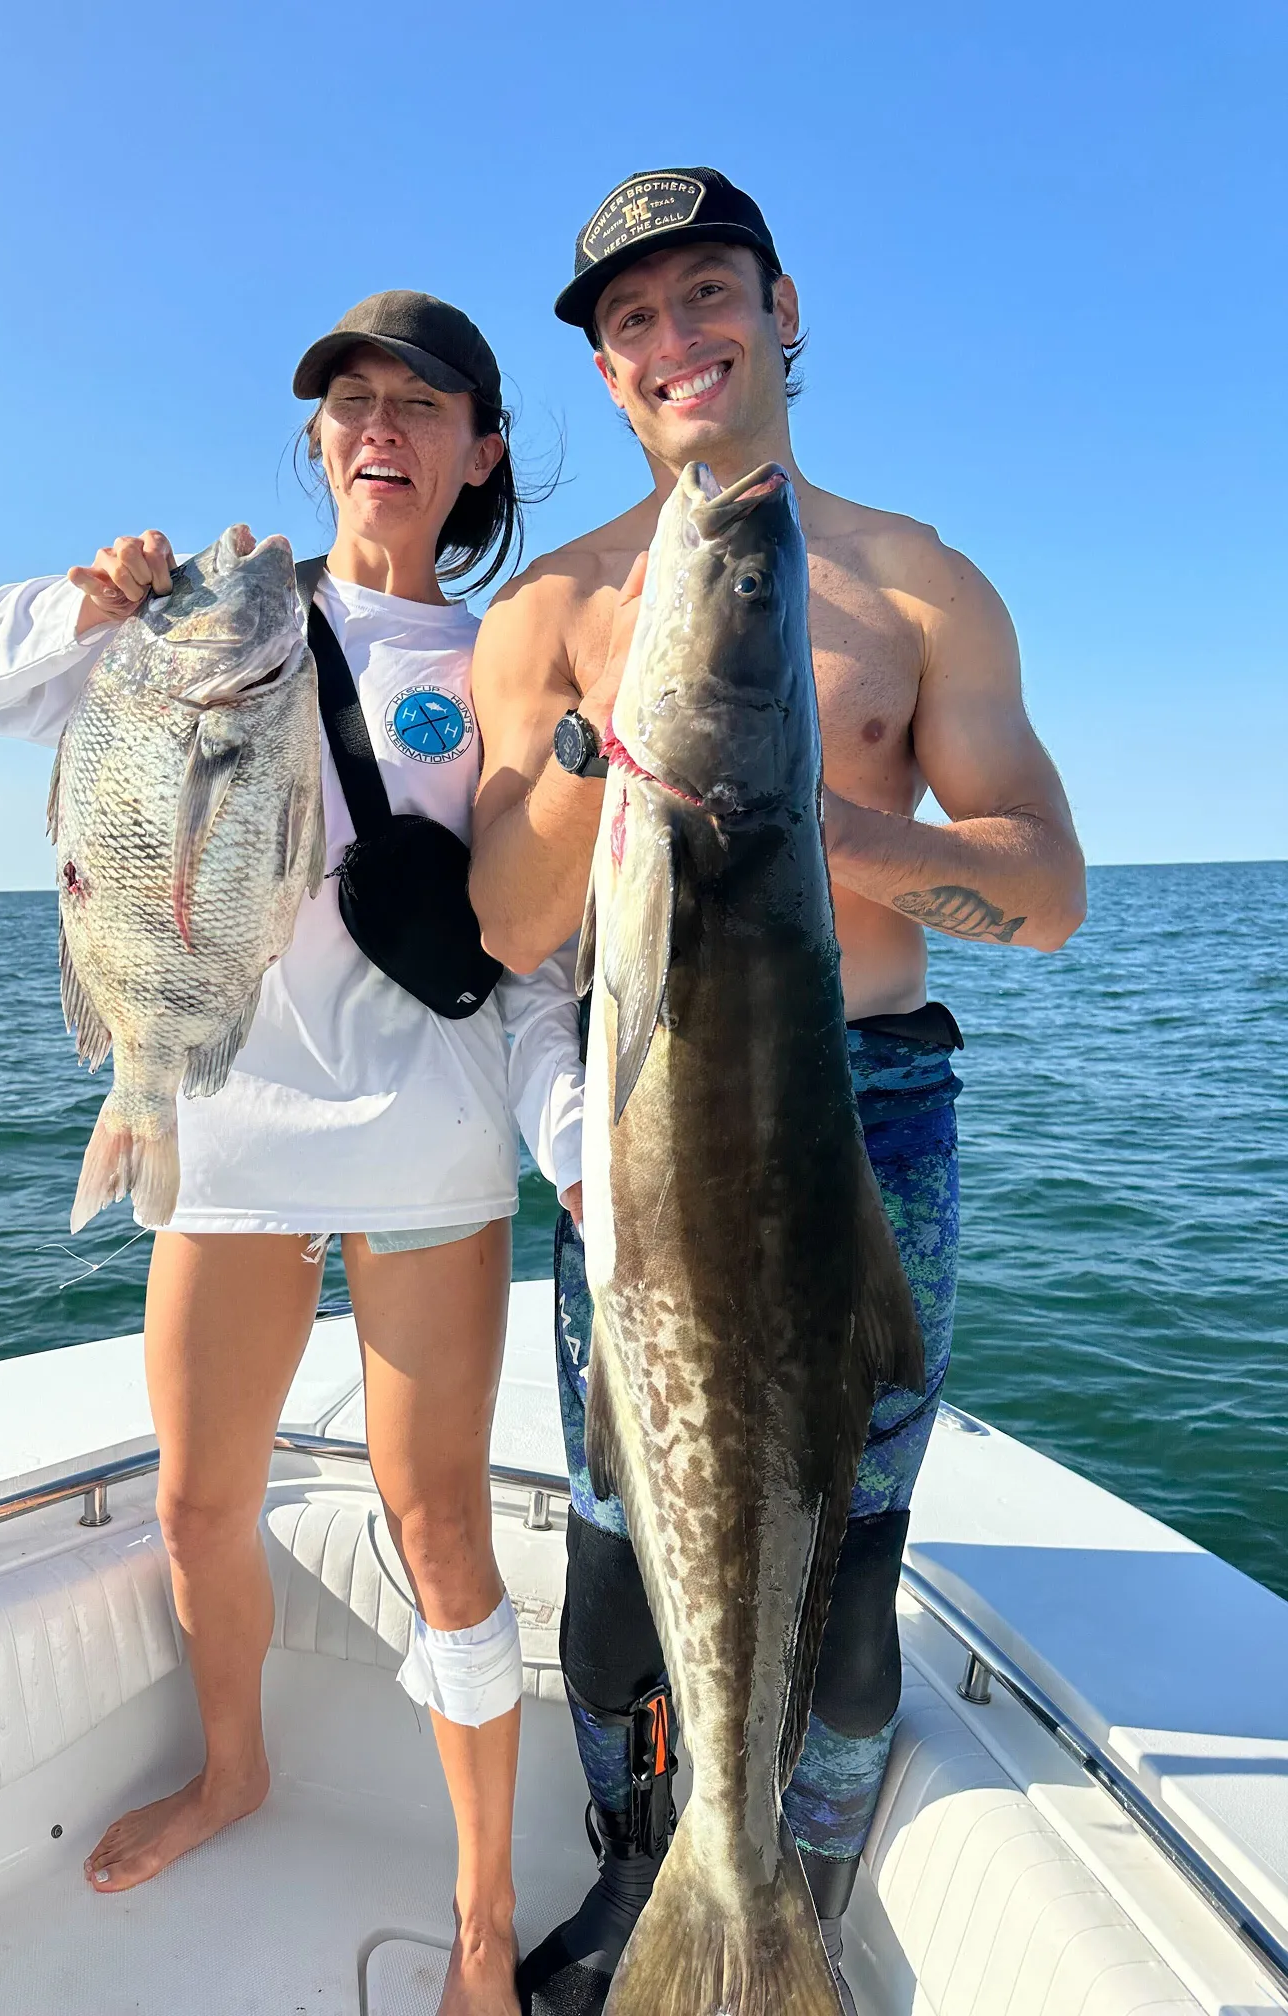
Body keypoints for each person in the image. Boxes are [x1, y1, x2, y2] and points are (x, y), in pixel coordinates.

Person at [0, 290, 582, 2016]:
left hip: (429, 1149)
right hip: (212, 1122)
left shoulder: (507, 656)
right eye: (352, 401)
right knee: (203, 1500)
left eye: (423, 404)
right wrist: (84, 597)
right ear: (318, 438)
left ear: (480, 449)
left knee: (441, 1532)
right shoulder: (204, 619)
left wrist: (575, 1144)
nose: (382, 428)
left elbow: (537, 952)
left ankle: (487, 1914)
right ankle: (235, 1770)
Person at [469, 169, 1087, 2016]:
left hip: (870, 1115)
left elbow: (1044, 896)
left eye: (707, 293)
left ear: (782, 303)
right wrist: (612, 757)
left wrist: (833, 831)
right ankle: (658, 1881)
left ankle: (790, 1907)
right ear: (601, 369)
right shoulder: (556, 612)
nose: (676, 339)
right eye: (632, 320)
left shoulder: (920, 585)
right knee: (609, 1576)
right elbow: (508, 926)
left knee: (850, 1568)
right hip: (646, 1126)